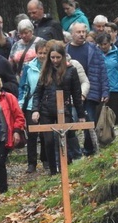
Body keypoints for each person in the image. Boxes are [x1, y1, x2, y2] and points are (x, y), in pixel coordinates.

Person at [31, 41, 86, 175]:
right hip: (46, 109)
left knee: (63, 139)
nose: (55, 60)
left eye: (57, 57)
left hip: (64, 108)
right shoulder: (46, 71)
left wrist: (81, 115)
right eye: (52, 57)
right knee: (48, 141)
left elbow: (76, 94)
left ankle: (65, 166)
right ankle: (52, 170)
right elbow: (38, 92)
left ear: (63, 57)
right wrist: (35, 110)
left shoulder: (71, 71)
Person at [66, 22, 107, 156]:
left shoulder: (93, 49)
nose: (82, 34)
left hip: (91, 91)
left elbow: (102, 69)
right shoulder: (65, 50)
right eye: (78, 32)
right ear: (72, 33)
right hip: (70, 93)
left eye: (84, 31)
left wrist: (105, 90)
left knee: (89, 122)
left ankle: (89, 149)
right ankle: (74, 152)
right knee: (70, 121)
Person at [18, 39, 48, 173]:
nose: (42, 56)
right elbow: (24, 86)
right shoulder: (29, 67)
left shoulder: (51, 67)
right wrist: (20, 103)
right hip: (31, 105)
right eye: (40, 53)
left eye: (44, 53)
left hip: (47, 105)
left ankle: (46, 159)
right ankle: (31, 163)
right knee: (32, 135)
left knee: (45, 134)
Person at [97, 32, 118, 125]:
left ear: (110, 42)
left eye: (105, 44)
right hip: (101, 89)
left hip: (115, 88)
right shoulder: (96, 54)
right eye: (100, 45)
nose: (103, 47)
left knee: (116, 115)